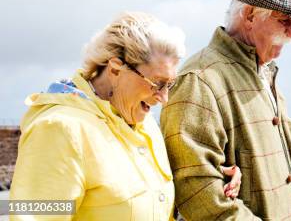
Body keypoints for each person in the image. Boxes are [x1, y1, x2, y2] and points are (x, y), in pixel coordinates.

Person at [10, 12, 241, 220]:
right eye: (157, 84)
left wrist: (208, 175)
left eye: (170, 85)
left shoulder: (144, 123)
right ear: (115, 69)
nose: (164, 98)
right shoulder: (58, 130)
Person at [162, 0, 291, 220]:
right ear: (249, 15)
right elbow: (197, 190)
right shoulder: (199, 79)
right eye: (284, 21)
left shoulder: (266, 73)